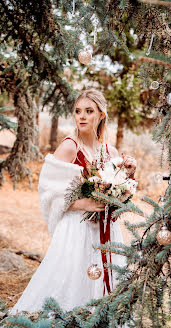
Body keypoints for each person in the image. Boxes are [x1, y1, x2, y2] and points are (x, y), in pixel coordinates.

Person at [8, 88, 137, 317]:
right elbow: (48, 192)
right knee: (71, 276)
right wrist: (83, 204)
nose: (82, 116)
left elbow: (120, 195)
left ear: (101, 115)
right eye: (78, 111)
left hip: (106, 229)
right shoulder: (69, 147)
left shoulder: (111, 151)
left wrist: (127, 178)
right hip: (77, 228)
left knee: (104, 277)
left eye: (89, 111)